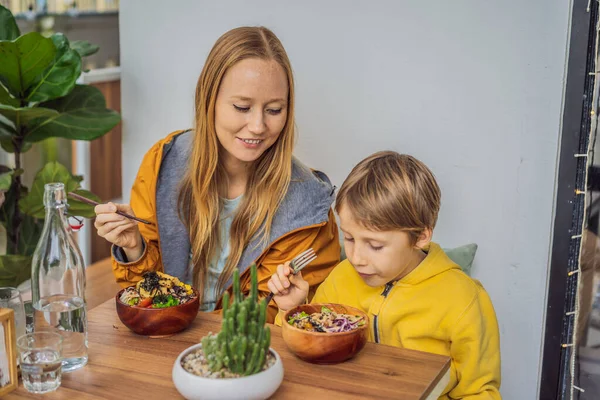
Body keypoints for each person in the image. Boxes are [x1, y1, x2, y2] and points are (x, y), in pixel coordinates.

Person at [94, 26, 340, 320]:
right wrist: (134, 247)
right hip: (166, 339)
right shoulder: (163, 163)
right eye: (242, 107)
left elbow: (267, 322)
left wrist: (290, 306)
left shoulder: (308, 208)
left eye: (274, 110)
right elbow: (145, 297)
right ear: (208, 100)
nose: (258, 126)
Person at [268, 151, 501, 398]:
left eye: (375, 245)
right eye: (349, 238)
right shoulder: (342, 277)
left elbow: (479, 392)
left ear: (421, 236)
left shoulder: (464, 299)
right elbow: (308, 357)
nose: (356, 257)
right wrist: (292, 310)